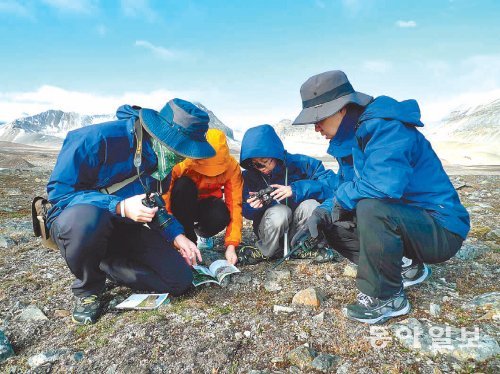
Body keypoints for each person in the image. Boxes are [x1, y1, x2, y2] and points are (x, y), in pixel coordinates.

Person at [292, 70, 470, 324]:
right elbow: (347, 186)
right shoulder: (350, 141)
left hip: (441, 228)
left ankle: (386, 297)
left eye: (319, 118)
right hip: (408, 221)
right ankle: (406, 266)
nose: (316, 127)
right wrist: (322, 211)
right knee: (332, 220)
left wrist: (338, 203)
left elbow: (384, 186)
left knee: (370, 207)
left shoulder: (387, 128)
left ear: (343, 109)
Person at [46, 98, 215, 324]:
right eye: (179, 150)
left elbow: (154, 202)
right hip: (80, 225)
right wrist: (120, 206)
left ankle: (104, 263)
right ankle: (88, 290)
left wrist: (177, 235)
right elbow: (61, 196)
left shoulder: (163, 157)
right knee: (85, 219)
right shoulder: (95, 139)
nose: (181, 157)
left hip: (123, 228)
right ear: (160, 134)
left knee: (180, 281)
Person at [238, 124, 338, 264]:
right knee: (281, 211)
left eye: (264, 162)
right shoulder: (249, 176)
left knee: (311, 205)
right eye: (255, 164)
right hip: (269, 231)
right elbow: (245, 212)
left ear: (275, 154)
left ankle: (300, 247)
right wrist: (257, 206)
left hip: (299, 228)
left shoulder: (302, 163)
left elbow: (332, 186)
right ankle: (267, 251)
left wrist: (296, 189)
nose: (260, 168)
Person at [163, 128, 243, 265]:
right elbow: (165, 198)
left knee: (220, 213)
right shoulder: (183, 164)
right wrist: (174, 234)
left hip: (206, 206)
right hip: (181, 204)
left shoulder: (232, 167)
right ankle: (186, 240)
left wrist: (231, 245)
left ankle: (203, 235)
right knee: (183, 185)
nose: (210, 175)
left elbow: (235, 204)